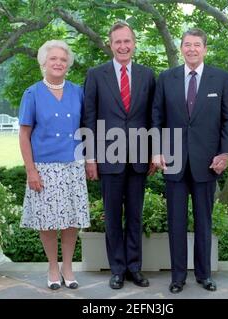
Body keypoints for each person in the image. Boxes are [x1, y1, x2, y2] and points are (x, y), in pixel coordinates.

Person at [152, 28, 228, 294]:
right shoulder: (166, 78)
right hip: (173, 162)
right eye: (187, 45)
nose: (192, 49)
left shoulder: (221, 78)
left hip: (206, 163)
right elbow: (157, 119)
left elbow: (226, 121)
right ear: (181, 48)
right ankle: (177, 277)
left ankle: (204, 274)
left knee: (203, 222)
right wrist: (157, 150)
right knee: (176, 222)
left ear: (205, 49)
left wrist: (225, 153)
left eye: (197, 45)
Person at [83, 21, 156, 289]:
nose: (123, 46)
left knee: (135, 215)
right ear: (110, 44)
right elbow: (89, 117)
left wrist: (153, 152)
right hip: (107, 158)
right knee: (113, 216)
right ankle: (117, 269)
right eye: (117, 42)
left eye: (127, 41)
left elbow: (152, 117)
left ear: (134, 43)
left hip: (139, 157)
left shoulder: (147, 75)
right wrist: (90, 158)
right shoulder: (96, 74)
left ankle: (134, 268)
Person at [18, 40, 90, 290]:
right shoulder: (32, 93)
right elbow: (24, 135)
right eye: (53, 59)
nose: (58, 63)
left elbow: (86, 128)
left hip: (72, 165)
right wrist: (31, 171)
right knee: (47, 222)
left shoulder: (78, 92)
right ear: (44, 63)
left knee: (71, 221)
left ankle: (68, 267)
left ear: (68, 64)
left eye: (62, 59)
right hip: (44, 168)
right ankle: (52, 266)